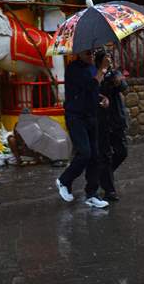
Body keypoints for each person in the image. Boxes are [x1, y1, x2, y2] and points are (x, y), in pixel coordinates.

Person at [55, 49, 109, 208]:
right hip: (76, 117)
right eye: (87, 54)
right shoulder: (73, 69)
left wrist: (103, 98)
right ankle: (64, 180)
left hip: (91, 115)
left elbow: (92, 90)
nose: (91, 56)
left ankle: (92, 194)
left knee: (95, 156)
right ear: (78, 53)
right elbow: (91, 84)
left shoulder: (92, 67)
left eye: (92, 53)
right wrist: (103, 69)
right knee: (84, 153)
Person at [95, 50, 128, 201]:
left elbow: (123, 87)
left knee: (122, 152)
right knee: (105, 156)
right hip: (102, 121)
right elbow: (94, 89)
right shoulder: (95, 75)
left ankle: (104, 175)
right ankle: (109, 190)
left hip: (117, 119)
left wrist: (116, 78)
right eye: (106, 58)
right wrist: (102, 71)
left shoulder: (115, 73)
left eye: (110, 58)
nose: (109, 60)